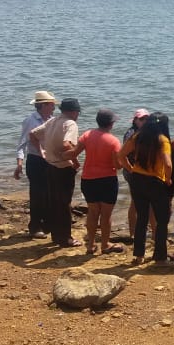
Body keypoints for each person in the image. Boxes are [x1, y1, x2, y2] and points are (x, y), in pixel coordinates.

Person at [118, 112, 172, 264]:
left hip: (137, 180)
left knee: (142, 218)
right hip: (155, 182)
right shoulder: (162, 140)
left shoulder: (137, 137)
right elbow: (168, 164)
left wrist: (130, 169)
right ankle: (160, 256)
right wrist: (168, 179)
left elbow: (120, 155)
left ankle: (139, 255)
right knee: (162, 220)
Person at [29, 97, 82, 248]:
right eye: (78, 112)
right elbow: (67, 144)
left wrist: (42, 152)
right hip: (64, 168)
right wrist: (75, 161)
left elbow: (32, 134)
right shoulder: (70, 123)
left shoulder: (53, 121)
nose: (78, 115)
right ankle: (65, 238)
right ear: (74, 112)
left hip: (50, 166)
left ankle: (56, 236)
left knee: (54, 202)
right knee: (64, 204)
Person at [70, 109, 123, 255]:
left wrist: (75, 163)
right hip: (107, 180)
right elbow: (117, 165)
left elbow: (74, 153)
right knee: (106, 215)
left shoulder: (87, 135)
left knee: (92, 212)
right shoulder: (113, 141)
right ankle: (105, 245)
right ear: (111, 124)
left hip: (88, 179)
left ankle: (90, 245)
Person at [13, 90, 57, 239]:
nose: (54, 107)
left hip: (50, 161)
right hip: (35, 160)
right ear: (43, 105)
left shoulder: (52, 119)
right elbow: (22, 144)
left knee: (50, 194)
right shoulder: (30, 120)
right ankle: (35, 227)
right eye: (51, 105)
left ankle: (47, 224)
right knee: (37, 195)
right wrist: (19, 164)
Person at [121, 108, 151, 240]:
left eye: (147, 118)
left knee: (144, 202)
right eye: (142, 119)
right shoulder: (131, 134)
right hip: (134, 173)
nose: (145, 121)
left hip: (142, 172)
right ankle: (133, 233)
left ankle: (141, 230)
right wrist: (131, 170)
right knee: (135, 202)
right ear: (135, 120)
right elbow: (123, 154)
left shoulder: (145, 132)